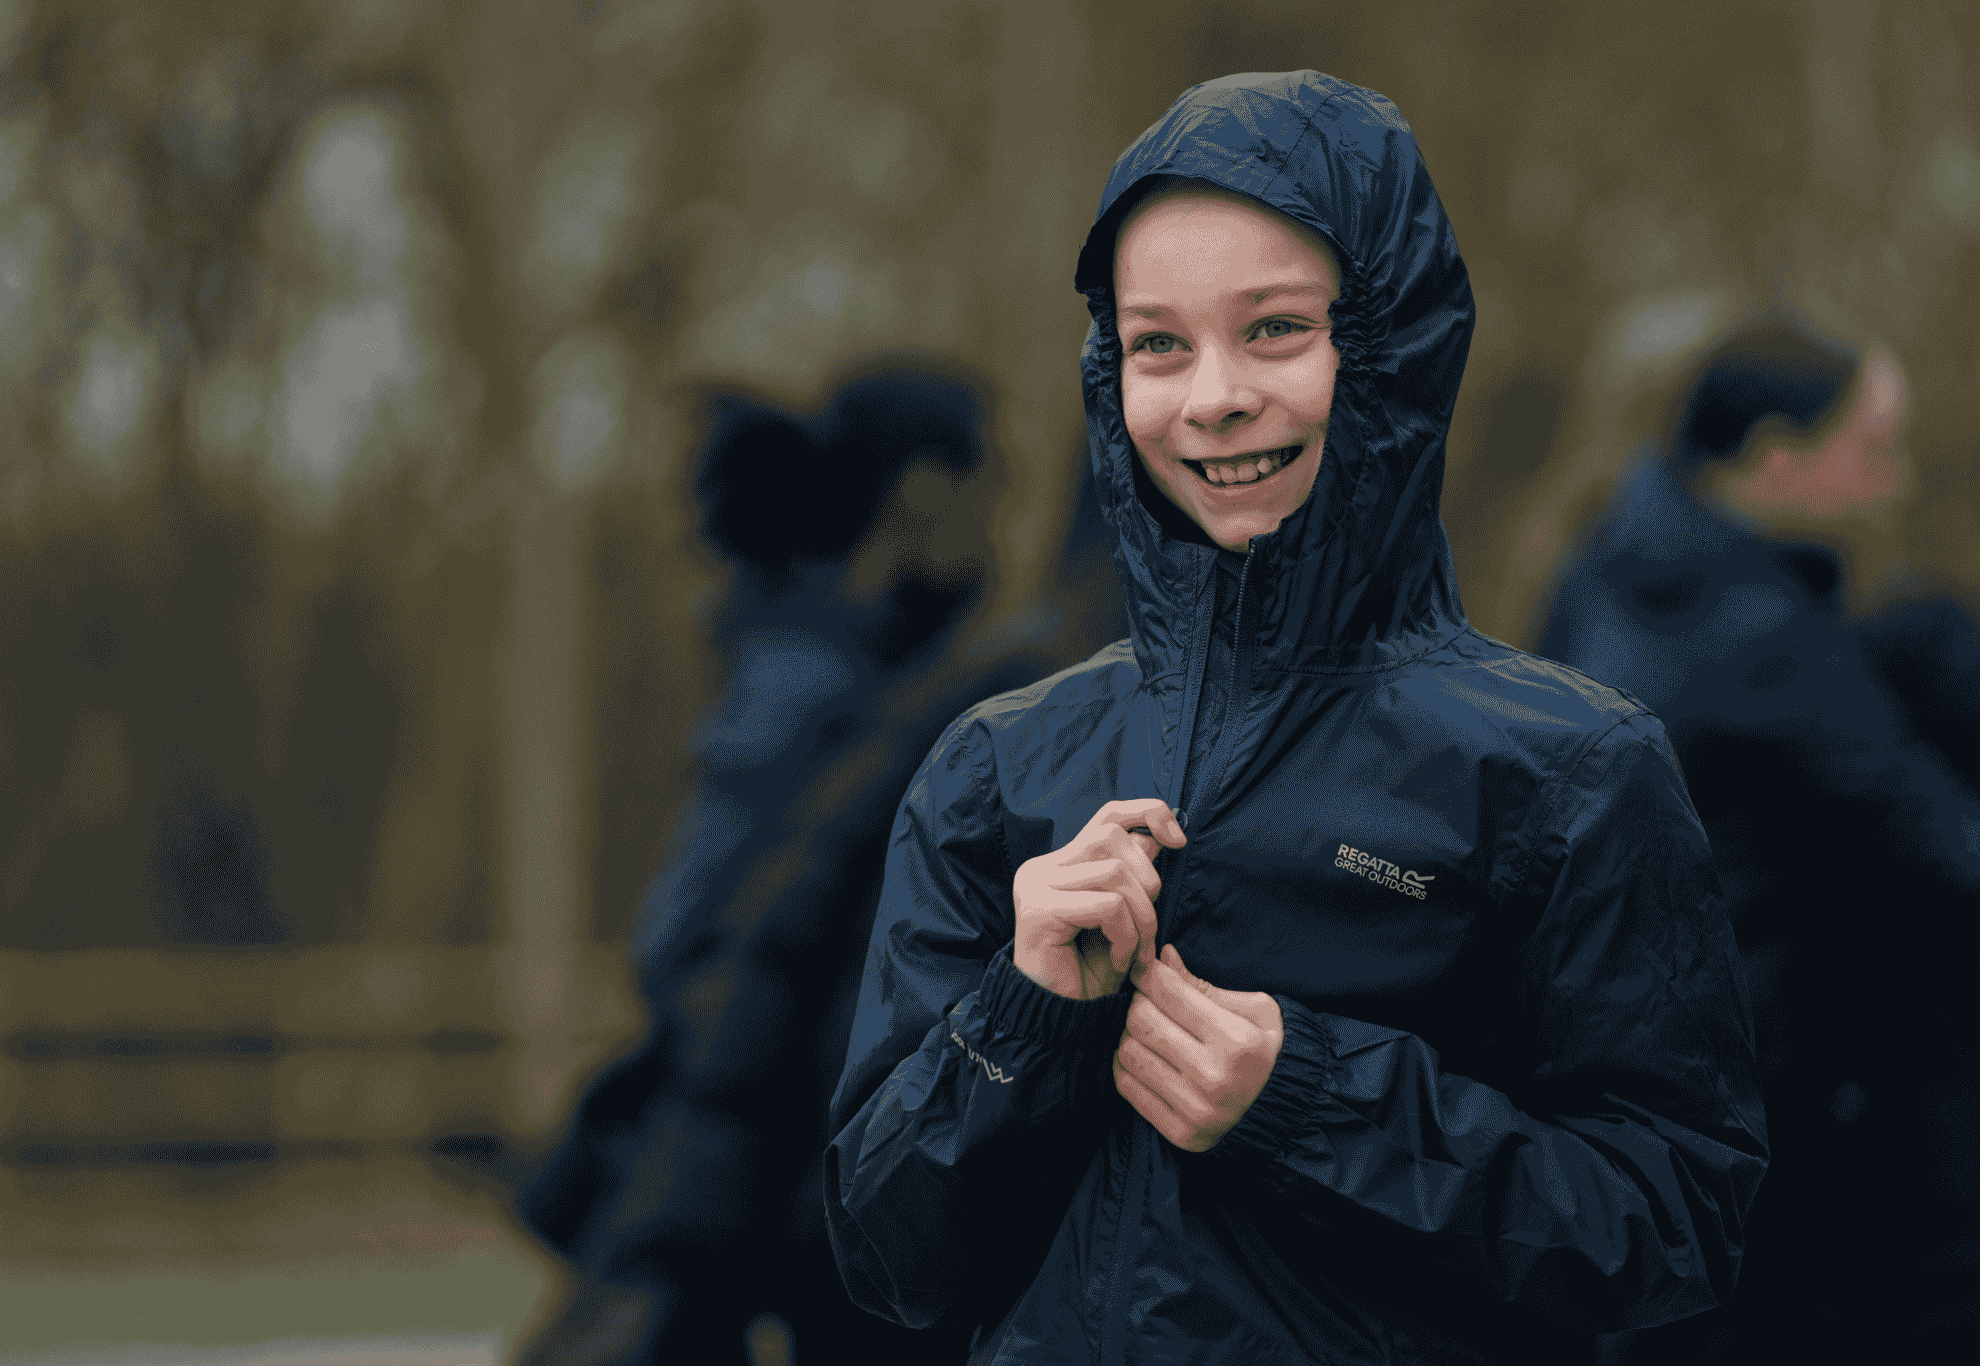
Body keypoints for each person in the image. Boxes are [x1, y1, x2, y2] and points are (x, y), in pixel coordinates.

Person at [825, 70, 1768, 1366]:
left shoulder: (1569, 767)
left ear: (1389, 347)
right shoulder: (997, 762)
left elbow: (1679, 1224)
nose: (1211, 395)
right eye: (1158, 343)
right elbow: (885, 1256)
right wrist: (1019, 1014)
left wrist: (1319, 1103)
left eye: (1272, 329)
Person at [511, 363, 1126, 1366]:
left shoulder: (909, 675)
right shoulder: (823, 690)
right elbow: (706, 941)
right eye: (990, 481)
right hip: (779, 1168)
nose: (1001, 515)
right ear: (926, 489)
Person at [1537, 318, 1980, 1361]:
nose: (1897, 479)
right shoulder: (1761, 639)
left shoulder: (1616, 558)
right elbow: (1936, 837)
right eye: (1873, 447)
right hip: (1769, 1089)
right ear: (1778, 458)